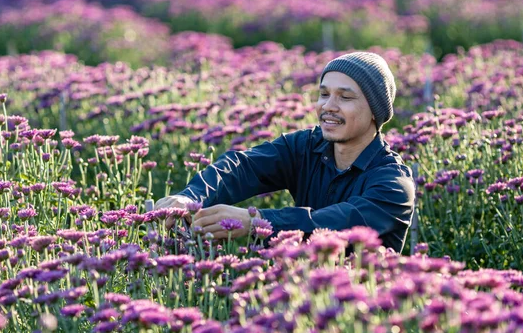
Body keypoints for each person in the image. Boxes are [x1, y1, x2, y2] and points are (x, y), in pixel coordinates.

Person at [155, 52, 416, 252]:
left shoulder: (393, 185)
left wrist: (257, 221)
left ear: (375, 111)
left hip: (364, 314)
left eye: (345, 97)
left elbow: (339, 221)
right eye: (324, 94)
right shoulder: (305, 147)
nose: (329, 106)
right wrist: (190, 198)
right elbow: (242, 166)